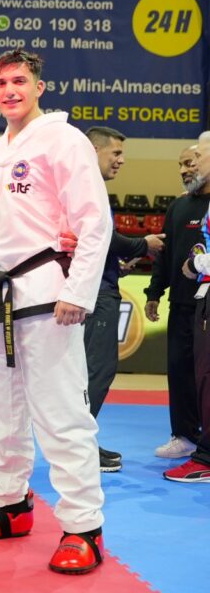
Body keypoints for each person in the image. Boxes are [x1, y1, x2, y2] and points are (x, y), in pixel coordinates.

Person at [0, 49, 111, 575]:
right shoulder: (0, 146)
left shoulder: (63, 139)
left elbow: (94, 220)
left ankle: (83, 527)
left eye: (19, 81)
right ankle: (8, 504)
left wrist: (78, 290)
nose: (10, 90)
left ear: (39, 87)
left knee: (60, 414)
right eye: (1, 82)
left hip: (47, 291)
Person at [84, 126, 164, 472]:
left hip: (97, 285)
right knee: (98, 369)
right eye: (115, 153)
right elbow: (105, 236)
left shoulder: (88, 186)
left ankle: (81, 442)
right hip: (96, 294)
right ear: (93, 150)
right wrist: (143, 244)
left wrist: (114, 265)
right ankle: (79, 446)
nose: (121, 160)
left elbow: (94, 242)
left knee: (90, 371)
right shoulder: (87, 186)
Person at [145, 144, 205, 460]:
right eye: (180, 165)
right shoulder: (178, 207)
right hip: (182, 305)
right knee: (180, 372)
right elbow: (164, 255)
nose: (184, 170)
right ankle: (184, 435)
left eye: (190, 163)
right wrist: (154, 292)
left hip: (208, 307)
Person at [164, 138, 210, 482]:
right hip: (191, 300)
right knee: (192, 374)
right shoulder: (181, 205)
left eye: (195, 159)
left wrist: (197, 264)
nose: (187, 168)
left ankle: (206, 455)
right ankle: (192, 440)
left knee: (206, 377)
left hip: (204, 293)